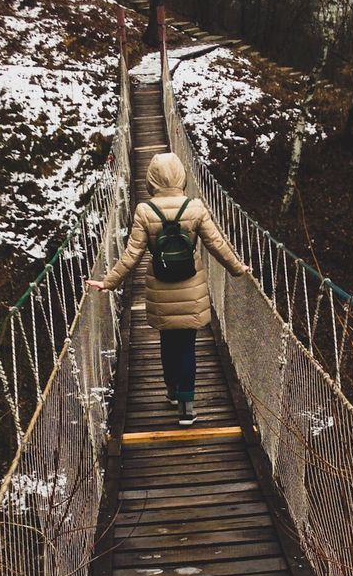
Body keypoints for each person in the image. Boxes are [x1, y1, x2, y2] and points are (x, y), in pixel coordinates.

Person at [86, 152, 248, 426]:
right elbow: (217, 244)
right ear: (181, 176)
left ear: (151, 179)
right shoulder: (195, 208)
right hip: (190, 290)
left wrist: (108, 282)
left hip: (160, 288)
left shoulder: (145, 211)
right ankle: (186, 406)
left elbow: (132, 254)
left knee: (167, 342)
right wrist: (237, 268)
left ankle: (172, 390)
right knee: (186, 346)